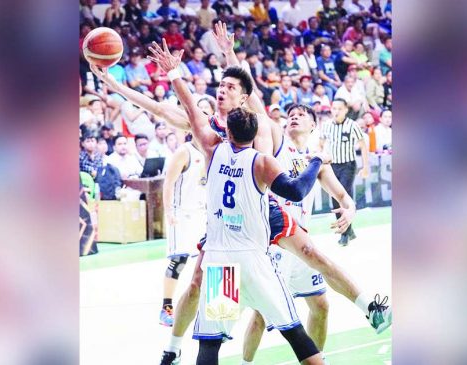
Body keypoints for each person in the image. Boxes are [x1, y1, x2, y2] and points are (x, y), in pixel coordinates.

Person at [137, 28, 390, 364]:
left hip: (236, 242)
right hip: (248, 241)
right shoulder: (238, 147)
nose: (222, 91)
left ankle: (368, 308)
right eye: (221, 87)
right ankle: (178, 349)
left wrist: (179, 72)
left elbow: (225, 95)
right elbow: (295, 187)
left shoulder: (231, 141)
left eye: (229, 88)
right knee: (269, 319)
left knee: (306, 287)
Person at [152, 48, 329, 361]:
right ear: (256, 133)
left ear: (227, 132)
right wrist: (316, 160)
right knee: (296, 335)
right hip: (255, 261)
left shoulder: (212, 149)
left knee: (210, 344)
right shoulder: (262, 162)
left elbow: (192, 109)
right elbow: (297, 191)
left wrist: (175, 73)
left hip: (220, 261)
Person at [242, 104, 365, 364]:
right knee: (259, 316)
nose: (294, 117)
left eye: (301, 115)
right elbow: (255, 103)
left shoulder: (315, 160)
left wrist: (350, 210)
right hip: (273, 243)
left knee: (320, 306)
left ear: (313, 126)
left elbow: (343, 196)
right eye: (291, 115)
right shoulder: (277, 144)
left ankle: (315, 359)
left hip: (299, 245)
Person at [159, 135, 208, 327]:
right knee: (179, 261)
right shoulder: (184, 151)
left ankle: (217, 309)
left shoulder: (215, 147)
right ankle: (167, 307)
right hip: (182, 214)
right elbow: (168, 183)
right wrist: (169, 211)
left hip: (205, 212)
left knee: (214, 259)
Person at [319, 99, 369, 245]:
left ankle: (345, 233)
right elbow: (320, 143)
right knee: (335, 198)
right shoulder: (326, 126)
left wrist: (366, 167)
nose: (336, 111)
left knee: (344, 194)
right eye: (334, 108)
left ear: (346, 110)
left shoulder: (353, 125)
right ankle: (349, 231)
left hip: (348, 165)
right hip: (331, 165)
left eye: (339, 108)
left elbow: (363, 145)